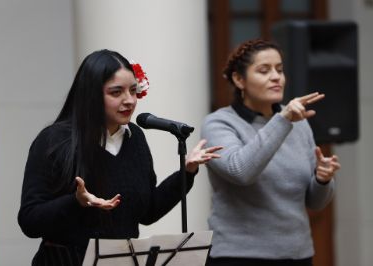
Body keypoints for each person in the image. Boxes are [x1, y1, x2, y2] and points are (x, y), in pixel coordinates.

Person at [18, 49, 222, 265]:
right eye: (116, 93)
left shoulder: (135, 138)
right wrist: (76, 201)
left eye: (133, 91)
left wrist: (187, 172)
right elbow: (30, 221)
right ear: (91, 95)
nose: (130, 100)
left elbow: (148, 211)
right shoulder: (53, 140)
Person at [201, 39, 341, 266]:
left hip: (297, 254)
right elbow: (241, 171)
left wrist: (322, 179)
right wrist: (282, 119)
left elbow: (315, 203)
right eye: (264, 71)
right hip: (238, 256)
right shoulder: (219, 123)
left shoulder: (298, 123)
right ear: (239, 79)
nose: (276, 77)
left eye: (280, 69)